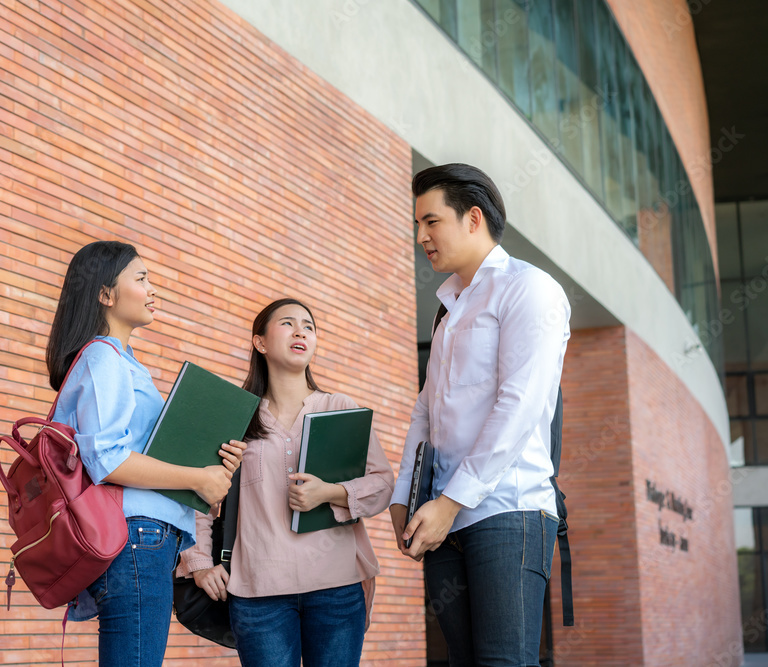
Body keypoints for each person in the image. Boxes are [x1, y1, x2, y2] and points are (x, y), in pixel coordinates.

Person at [390, 164, 570, 666]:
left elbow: (521, 404)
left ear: (472, 218)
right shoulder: (447, 309)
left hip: (507, 510)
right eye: (417, 226)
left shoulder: (529, 289)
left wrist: (449, 502)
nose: (421, 237)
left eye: (431, 222)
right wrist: (407, 494)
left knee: (503, 662)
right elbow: (425, 409)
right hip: (444, 518)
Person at [46, 240, 246, 666]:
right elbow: (109, 459)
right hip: (137, 540)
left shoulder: (124, 361)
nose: (152, 289)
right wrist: (196, 478)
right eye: (141, 278)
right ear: (105, 294)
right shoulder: (104, 358)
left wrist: (208, 473)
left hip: (145, 541)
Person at [178, 298, 395, 667]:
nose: (301, 332)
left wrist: (329, 492)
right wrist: (199, 561)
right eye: (288, 324)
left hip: (337, 587)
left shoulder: (339, 407)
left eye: (308, 326)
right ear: (260, 342)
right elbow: (200, 494)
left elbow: (382, 483)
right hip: (259, 592)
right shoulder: (236, 418)